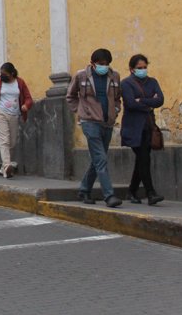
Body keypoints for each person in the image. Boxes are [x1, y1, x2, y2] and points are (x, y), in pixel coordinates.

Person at [66, 48, 123, 208]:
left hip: (107, 122)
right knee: (101, 159)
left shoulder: (114, 76)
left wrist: (116, 110)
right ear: (93, 64)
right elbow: (70, 96)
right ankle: (109, 195)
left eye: (107, 64)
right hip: (89, 122)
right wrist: (81, 111)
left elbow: (118, 98)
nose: (104, 67)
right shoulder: (81, 76)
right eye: (101, 64)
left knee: (98, 159)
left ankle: (84, 190)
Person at [121, 54, 165, 205]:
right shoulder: (126, 84)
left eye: (145, 67)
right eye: (139, 68)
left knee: (143, 159)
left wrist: (142, 101)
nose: (143, 70)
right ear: (132, 69)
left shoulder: (152, 82)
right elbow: (131, 103)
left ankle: (132, 191)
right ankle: (150, 193)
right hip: (133, 128)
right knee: (144, 158)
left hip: (148, 126)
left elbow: (160, 100)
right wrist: (149, 102)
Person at [0, 62, 34, 178]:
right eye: (0, 73)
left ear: (12, 73)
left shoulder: (20, 82)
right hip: (0, 114)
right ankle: (7, 167)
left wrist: (26, 105)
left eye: (4, 74)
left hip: (14, 115)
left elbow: (29, 98)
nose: (2, 75)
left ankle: (4, 165)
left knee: (12, 142)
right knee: (4, 140)